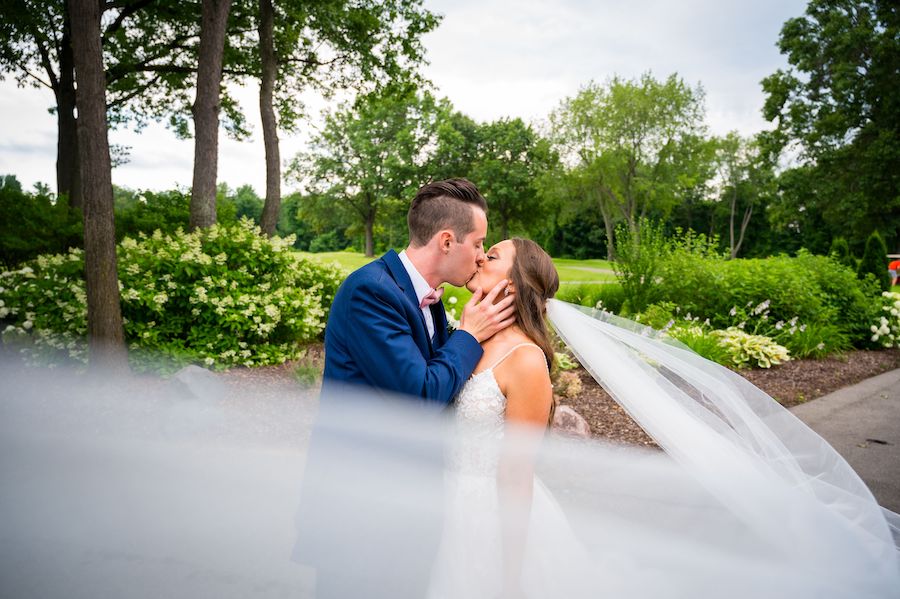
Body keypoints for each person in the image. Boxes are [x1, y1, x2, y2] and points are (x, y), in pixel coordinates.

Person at [296, 178, 517, 598]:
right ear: (447, 241)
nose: (481, 255)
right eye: (478, 244)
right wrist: (468, 335)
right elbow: (419, 396)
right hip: (361, 517)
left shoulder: (425, 298)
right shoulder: (371, 292)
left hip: (407, 512)